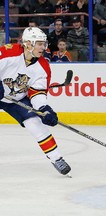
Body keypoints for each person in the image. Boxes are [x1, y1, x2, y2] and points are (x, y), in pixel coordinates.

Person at [0, 27, 71, 176]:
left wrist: (45, 109)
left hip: (15, 99)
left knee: (35, 124)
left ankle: (56, 158)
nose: (43, 47)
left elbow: (37, 92)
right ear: (28, 43)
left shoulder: (43, 66)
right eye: (39, 44)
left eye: (43, 44)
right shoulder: (8, 52)